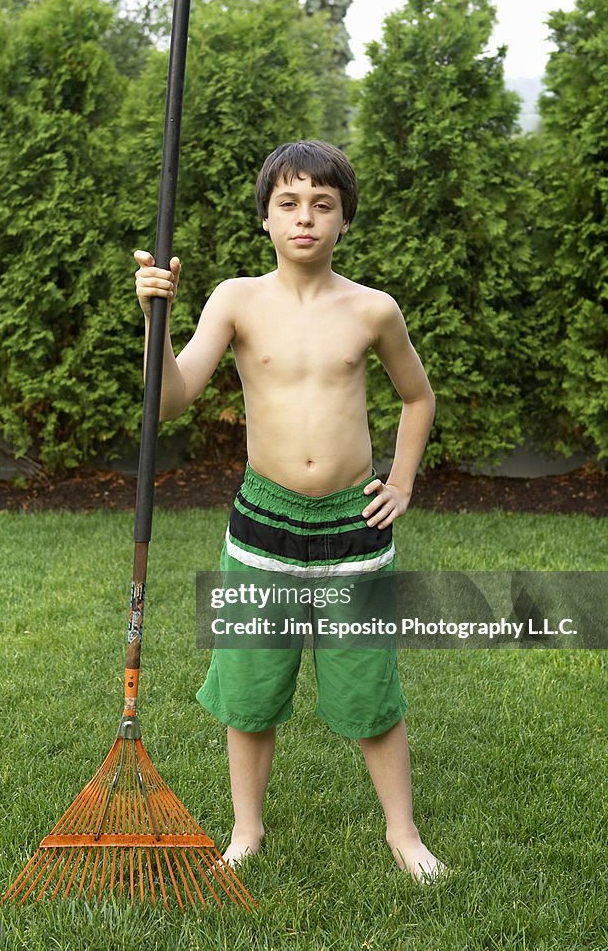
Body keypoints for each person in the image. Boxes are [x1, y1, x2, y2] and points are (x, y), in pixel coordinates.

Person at [134, 139, 445, 882]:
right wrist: (156, 320)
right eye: (288, 203)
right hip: (261, 528)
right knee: (249, 688)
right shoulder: (236, 300)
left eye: (322, 204)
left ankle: (401, 833)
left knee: (369, 686)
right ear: (265, 220)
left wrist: (399, 482)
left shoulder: (372, 309)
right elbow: (171, 400)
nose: (304, 217)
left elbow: (416, 396)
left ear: (344, 221)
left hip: (352, 531)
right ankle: (246, 831)